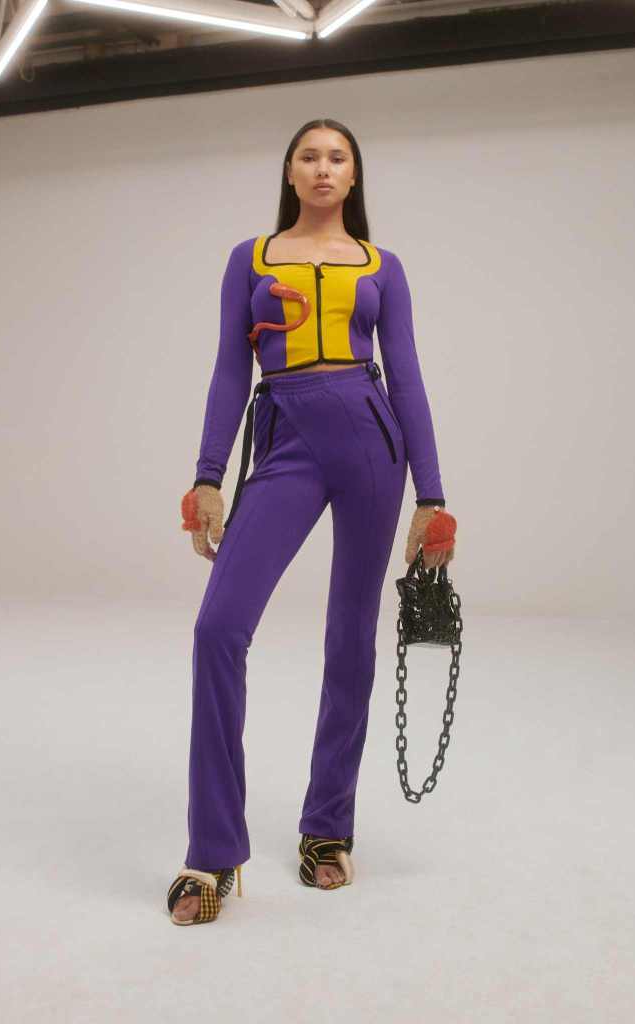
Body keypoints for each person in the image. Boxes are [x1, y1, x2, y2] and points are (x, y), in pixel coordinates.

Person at [166, 118, 457, 926]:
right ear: (289, 174)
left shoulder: (382, 266)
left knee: (348, 637)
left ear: (352, 176)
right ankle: (212, 851)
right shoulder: (250, 258)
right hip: (286, 436)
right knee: (218, 629)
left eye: (337, 157)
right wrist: (208, 475)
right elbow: (230, 367)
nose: (323, 168)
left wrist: (431, 496)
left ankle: (326, 827)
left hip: (370, 438)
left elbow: (407, 376)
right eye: (308, 156)